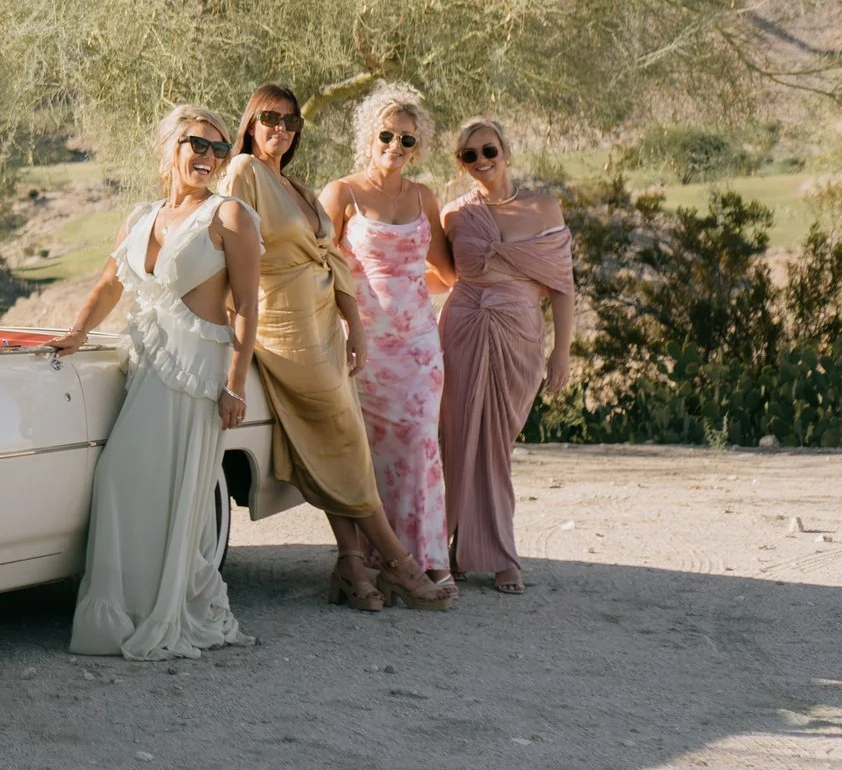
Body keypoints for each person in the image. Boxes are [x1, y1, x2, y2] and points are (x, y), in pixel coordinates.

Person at [219, 84, 450, 612]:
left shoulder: (294, 186)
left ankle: (352, 565)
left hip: (326, 322)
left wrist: (354, 322)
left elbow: (334, 258)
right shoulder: (244, 174)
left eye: (290, 121)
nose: (280, 129)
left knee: (340, 436)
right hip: (283, 322)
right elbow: (231, 251)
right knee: (345, 437)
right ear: (251, 124)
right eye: (269, 119)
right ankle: (397, 562)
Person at [53, 105, 262, 660]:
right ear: (170, 146)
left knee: (141, 485)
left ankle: (158, 610)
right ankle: (121, 612)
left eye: (220, 150)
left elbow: (246, 307)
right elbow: (108, 284)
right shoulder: (139, 217)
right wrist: (74, 334)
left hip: (196, 375)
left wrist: (235, 385)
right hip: (145, 366)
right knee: (127, 485)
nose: (209, 158)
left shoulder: (230, 215)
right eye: (198, 144)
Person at [322, 82, 459, 596]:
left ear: (418, 146)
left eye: (407, 139)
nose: (395, 147)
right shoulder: (342, 193)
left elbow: (446, 274)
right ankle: (370, 562)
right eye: (387, 135)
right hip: (362, 346)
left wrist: (402, 292)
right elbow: (319, 267)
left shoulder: (424, 196)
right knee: (366, 453)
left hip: (420, 346)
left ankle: (424, 559)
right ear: (368, 136)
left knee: (420, 447)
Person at [440, 117, 577, 594]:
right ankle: (451, 547)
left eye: (488, 150)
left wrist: (562, 351)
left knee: (497, 442)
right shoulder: (454, 215)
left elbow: (562, 287)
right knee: (454, 437)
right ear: (461, 164)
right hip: (462, 327)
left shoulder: (544, 207)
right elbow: (439, 273)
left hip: (519, 332)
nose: (481, 161)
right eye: (470, 155)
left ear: (506, 151)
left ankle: (496, 548)